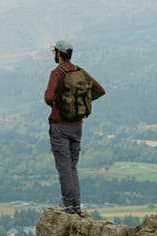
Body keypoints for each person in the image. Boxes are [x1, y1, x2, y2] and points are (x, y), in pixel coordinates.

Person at [43, 40, 106, 215]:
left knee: (63, 167)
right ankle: (75, 205)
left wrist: (62, 104)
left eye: (54, 52)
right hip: (77, 126)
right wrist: (80, 103)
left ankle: (69, 207)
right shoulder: (80, 72)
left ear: (58, 54)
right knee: (72, 167)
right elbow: (99, 90)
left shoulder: (57, 73)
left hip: (60, 126)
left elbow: (49, 97)